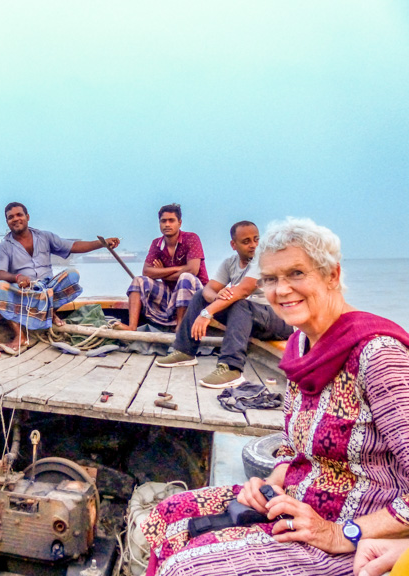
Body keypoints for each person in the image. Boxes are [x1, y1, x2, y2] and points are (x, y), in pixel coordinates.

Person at [140, 217, 409, 576]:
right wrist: (271, 481)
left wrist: (341, 534)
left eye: (297, 273)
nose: (281, 290)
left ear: (332, 275)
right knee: (166, 517)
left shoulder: (379, 356)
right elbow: (293, 446)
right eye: (270, 279)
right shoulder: (300, 345)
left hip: (356, 531)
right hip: (294, 502)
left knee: (188, 569)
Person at [154, 221, 293, 388]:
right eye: (246, 241)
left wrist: (206, 313)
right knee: (200, 296)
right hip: (252, 318)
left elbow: (243, 291)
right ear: (233, 245)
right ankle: (184, 351)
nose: (253, 245)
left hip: (280, 319)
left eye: (256, 240)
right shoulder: (230, 263)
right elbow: (208, 289)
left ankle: (231, 367)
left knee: (240, 304)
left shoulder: (262, 261)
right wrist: (215, 297)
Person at [0, 202, 119, 351]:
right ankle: (20, 335)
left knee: (72, 274)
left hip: (48, 287)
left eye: (19, 215)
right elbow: (0, 274)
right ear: (7, 222)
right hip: (26, 291)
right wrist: (18, 277)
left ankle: (51, 312)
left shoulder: (45, 236)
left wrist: (102, 243)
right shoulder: (4, 246)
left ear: (27, 217)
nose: (15, 219)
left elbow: (74, 246)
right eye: (10, 217)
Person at [115, 204, 208, 331]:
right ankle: (132, 327)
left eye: (171, 220)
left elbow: (192, 269)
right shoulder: (156, 244)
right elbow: (146, 271)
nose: (167, 224)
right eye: (163, 221)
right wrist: (177, 268)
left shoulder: (191, 238)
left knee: (185, 277)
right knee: (139, 280)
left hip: (197, 295)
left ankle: (180, 327)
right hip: (170, 294)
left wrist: (160, 272)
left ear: (179, 223)